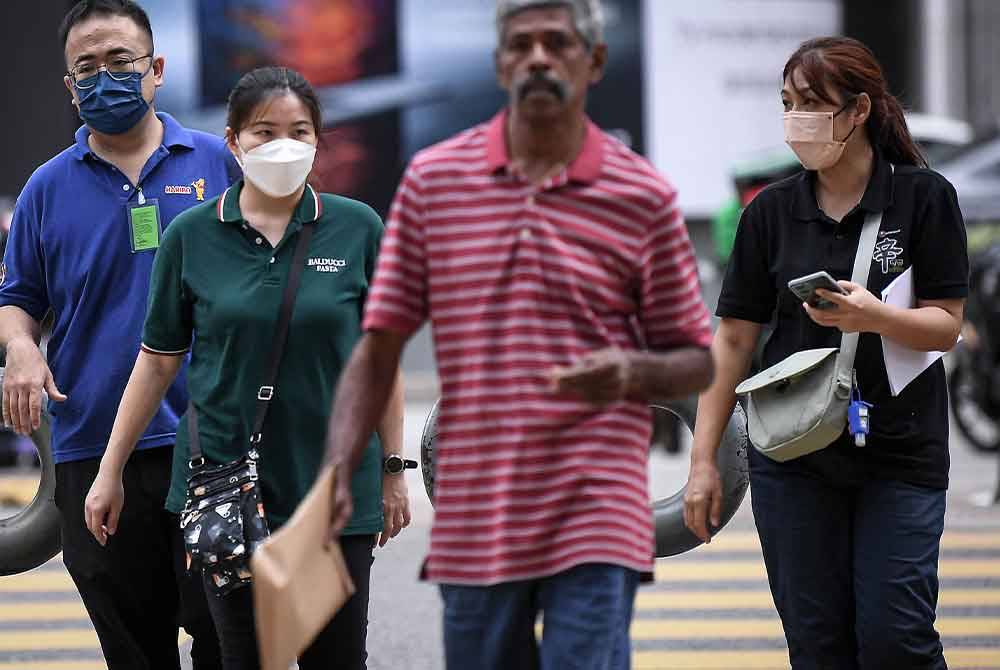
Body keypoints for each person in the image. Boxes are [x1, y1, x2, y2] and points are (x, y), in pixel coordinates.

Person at [320, 2, 714, 668]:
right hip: (478, 513)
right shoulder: (434, 182)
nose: (537, 57)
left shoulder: (640, 194)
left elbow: (697, 361)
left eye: (556, 43)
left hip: (597, 507)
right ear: (500, 62)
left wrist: (627, 375)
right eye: (520, 43)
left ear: (594, 61)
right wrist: (338, 468)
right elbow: (379, 346)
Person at [84, 65, 409, 670]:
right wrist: (110, 471)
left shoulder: (358, 227)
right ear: (232, 141)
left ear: (319, 140)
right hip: (227, 490)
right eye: (264, 132)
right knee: (245, 658)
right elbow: (157, 362)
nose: (283, 145)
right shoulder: (191, 235)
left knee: (337, 660)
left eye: (300, 131)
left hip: (336, 491)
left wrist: (393, 469)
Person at [683, 36, 968, 669]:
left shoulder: (924, 198)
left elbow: (947, 327)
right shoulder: (770, 214)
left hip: (900, 452)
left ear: (859, 110)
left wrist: (874, 315)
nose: (795, 119)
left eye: (811, 103)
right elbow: (731, 341)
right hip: (793, 455)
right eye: (787, 102)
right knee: (817, 646)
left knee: (897, 640)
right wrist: (703, 460)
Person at [0, 1, 240, 667]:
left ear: (155, 69)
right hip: (91, 447)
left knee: (228, 638)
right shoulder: (46, 189)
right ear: (70, 88)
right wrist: (20, 346)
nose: (104, 78)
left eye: (120, 62)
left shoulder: (221, 166)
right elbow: (18, 299)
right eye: (87, 68)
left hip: (214, 445)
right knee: (134, 649)